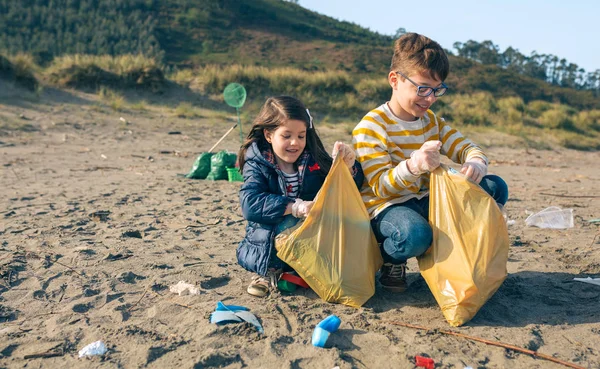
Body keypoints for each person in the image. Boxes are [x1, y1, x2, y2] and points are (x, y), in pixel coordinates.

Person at [352, 33, 508, 293]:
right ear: (395, 80)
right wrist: (414, 166)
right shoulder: (371, 126)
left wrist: (476, 162)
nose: (430, 98)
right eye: (422, 88)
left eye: (437, 90)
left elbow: (466, 146)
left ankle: (461, 254)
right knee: (416, 235)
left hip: (426, 200)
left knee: (494, 187)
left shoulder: (431, 121)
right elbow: (380, 187)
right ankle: (390, 257)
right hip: (387, 209)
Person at [237, 95, 364, 297]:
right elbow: (250, 204)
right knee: (288, 220)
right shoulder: (257, 163)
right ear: (269, 135)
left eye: (301, 136)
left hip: (308, 239)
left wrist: (347, 166)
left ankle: (300, 271)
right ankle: (268, 272)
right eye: (286, 136)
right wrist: (296, 207)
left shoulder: (312, 158)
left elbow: (349, 187)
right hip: (268, 241)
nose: (295, 143)